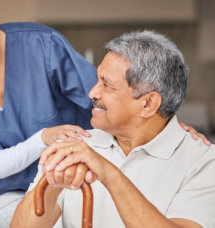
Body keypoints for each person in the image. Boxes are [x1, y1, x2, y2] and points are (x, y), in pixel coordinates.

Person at [0, 0, 210, 227]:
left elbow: (122, 106)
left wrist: (171, 127)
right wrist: (46, 143)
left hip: (87, 166)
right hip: (21, 191)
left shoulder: (40, 45)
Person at [11, 30, 215, 228]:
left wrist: (108, 173)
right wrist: (52, 185)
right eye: (97, 80)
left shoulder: (203, 162)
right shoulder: (74, 146)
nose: (92, 92)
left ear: (148, 104)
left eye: (106, 85)